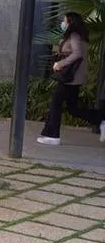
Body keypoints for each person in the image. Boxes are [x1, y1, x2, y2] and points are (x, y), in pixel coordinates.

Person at [37, 11, 105, 145]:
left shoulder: (74, 36)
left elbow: (77, 54)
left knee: (55, 103)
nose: (63, 23)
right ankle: (101, 119)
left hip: (69, 77)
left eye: (65, 20)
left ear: (70, 22)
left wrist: (60, 64)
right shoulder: (80, 36)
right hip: (75, 77)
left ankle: (52, 135)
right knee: (73, 108)